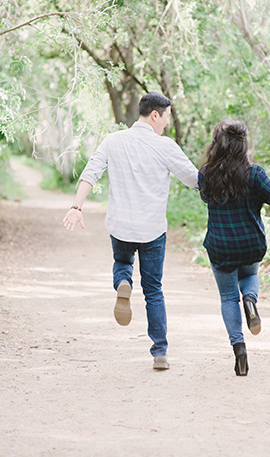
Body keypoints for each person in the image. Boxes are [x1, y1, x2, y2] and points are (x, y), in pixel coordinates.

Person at [63, 92, 198, 370]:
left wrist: (76, 208)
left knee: (123, 262)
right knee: (154, 290)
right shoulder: (165, 146)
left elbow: (91, 172)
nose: (167, 124)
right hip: (152, 230)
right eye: (167, 118)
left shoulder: (113, 141)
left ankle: (123, 282)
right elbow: (195, 180)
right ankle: (159, 352)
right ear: (155, 115)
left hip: (121, 227)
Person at [198, 120, 270, 376]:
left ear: (217, 144)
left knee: (228, 297)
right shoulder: (254, 174)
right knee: (250, 276)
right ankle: (250, 301)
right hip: (251, 244)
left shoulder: (206, 173)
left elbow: (205, 197)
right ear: (243, 144)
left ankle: (239, 349)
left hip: (221, 246)